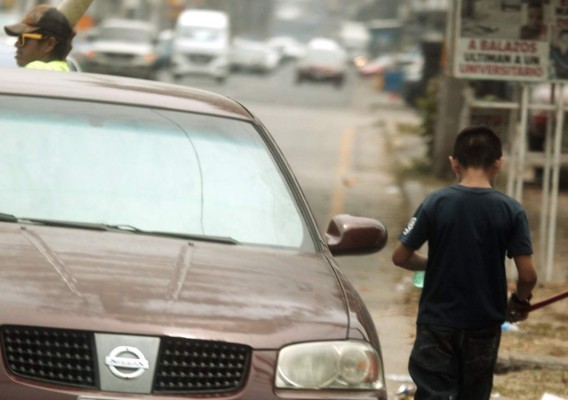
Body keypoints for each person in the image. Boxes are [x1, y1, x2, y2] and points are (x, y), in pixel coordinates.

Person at [392, 125, 538, 400]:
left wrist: (435, 263)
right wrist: (519, 302)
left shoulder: (435, 202)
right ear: (498, 164)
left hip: (436, 323)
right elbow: (528, 275)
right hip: (484, 324)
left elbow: (400, 256)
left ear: (454, 163)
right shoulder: (511, 210)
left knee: (432, 393)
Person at [3, 4, 75, 71]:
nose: (17, 44)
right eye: (18, 38)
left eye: (24, 38)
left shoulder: (35, 69)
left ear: (49, 44)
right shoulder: (69, 69)